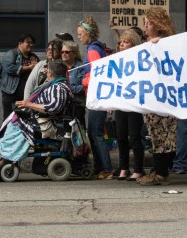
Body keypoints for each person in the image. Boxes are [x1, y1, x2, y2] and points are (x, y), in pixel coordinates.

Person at [0, 60, 73, 178]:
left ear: (50, 73)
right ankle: (3, 157)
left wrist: (29, 105)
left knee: (16, 126)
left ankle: (2, 159)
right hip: (44, 120)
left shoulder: (58, 87)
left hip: (50, 124)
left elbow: (53, 107)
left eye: (47, 71)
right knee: (14, 122)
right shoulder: (57, 85)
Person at [136, 7, 178, 186]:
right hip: (151, 96)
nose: (145, 25)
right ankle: (159, 171)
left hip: (165, 97)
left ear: (158, 24)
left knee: (164, 135)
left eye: (148, 22)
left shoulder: (168, 43)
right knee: (155, 135)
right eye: (144, 22)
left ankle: (161, 173)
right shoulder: (147, 43)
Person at [77, 15, 113, 180]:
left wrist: (84, 81)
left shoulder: (92, 50)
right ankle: (100, 167)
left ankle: (106, 168)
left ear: (88, 33)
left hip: (96, 96)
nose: (79, 37)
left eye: (80, 34)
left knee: (96, 133)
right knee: (94, 133)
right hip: (97, 96)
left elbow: (97, 74)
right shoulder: (96, 48)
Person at [112, 30, 146, 181]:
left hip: (134, 103)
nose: (122, 44)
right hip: (120, 102)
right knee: (121, 136)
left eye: (126, 41)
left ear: (134, 43)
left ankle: (138, 169)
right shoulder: (116, 59)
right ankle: (124, 167)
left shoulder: (140, 60)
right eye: (121, 42)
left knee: (134, 136)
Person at [0, 34, 39, 119]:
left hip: (26, 94)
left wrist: (36, 67)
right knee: (9, 117)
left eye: (32, 43)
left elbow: (39, 70)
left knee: (23, 117)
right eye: (28, 42)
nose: (31, 45)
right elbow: (9, 68)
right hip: (10, 92)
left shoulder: (34, 57)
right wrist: (28, 68)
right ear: (20, 43)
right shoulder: (11, 54)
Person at [61, 40, 86, 127]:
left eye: (67, 52)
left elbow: (84, 86)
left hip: (77, 104)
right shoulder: (59, 66)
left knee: (79, 134)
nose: (63, 54)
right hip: (61, 106)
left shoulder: (82, 67)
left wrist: (68, 89)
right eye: (62, 52)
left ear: (74, 54)